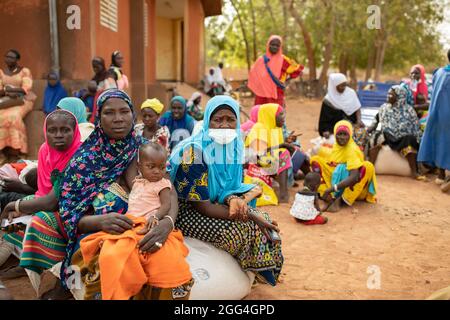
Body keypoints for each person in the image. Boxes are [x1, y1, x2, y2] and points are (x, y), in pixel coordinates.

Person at [1, 89, 190, 300]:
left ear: (132, 115)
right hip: (95, 233)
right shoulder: (84, 160)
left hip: (144, 226)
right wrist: (100, 221)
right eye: (109, 112)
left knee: (164, 264)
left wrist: (167, 223)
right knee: (109, 265)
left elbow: (168, 191)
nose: (118, 118)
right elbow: (68, 214)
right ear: (98, 118)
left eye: (124, 111)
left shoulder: (144, 151)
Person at [169, 95, 283, 286]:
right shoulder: (194, 152)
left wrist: (235, 201)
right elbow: (203, 208)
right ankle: (252, 269)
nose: (224, 125)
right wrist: (250, 216)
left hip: (216, 203)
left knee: (267, 222)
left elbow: (230, 187)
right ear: (207, 122)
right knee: (239, 232)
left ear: (238, 122)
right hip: (188, 211)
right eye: (218, 119)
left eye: (230, 119)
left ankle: (261, 271)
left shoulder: (235, 146)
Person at [78, 142, 191, 300]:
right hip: (127, 224)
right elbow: (72, 214)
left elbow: (168, 202)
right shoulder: (138, 180)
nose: (157, 171)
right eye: (151, 167)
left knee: (167, 260)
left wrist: (164, 220)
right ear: (140, 166)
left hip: (149, 223)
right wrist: (100, 221)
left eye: (161, 167)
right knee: (114, 254)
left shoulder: (160, 181)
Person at [310, 120, 377, 212]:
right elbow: (333, 165)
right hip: (335, 182)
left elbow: (354, 177)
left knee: (367, 166)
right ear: (335, 134)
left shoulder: (352, 149)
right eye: (339, 134)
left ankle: (340, 200)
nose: (342, 137)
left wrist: (332, 188)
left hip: (353, 189)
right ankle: (327, 195)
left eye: (345, 134)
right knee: (315, 160)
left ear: (350, 135)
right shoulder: (336, 147)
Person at [245, 104, 302, 204]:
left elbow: (273, 148)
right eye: (280, 114)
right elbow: (259, 153)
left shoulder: (275, 128)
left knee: (286, 153)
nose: (283, 117)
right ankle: (283, 194)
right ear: (270, 115)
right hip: (254, 161)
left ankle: (282, 188)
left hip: (266, 161)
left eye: (283, 114)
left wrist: (286, 142)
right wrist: (281, 145)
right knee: (283, 155)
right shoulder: (259, 127)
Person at [366, 85, 424, 180]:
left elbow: (416, 128)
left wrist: (420, 141)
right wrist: (368, 130)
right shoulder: (383, 108)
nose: (388, 96)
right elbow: (375, 121)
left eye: (391, 94)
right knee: (376, 136)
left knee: (411, 139)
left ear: (399, 96)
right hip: (387, 136)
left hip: (403, 138)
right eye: (388, 94)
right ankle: (370, 169)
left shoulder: (409, 110)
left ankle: (414, 172)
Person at [418, 49, 450, 190]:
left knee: (439, 141)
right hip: (447, 115)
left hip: (435, 114)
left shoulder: (439, 72)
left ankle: (441, 175)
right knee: (447, 142)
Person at [0, 49, 36, 161]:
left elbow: (25, 89)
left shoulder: (24, 71)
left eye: (12, 57)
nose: (9, 59)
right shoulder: (1, 72)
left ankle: (17, 151)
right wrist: (8, 91)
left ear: (17, 60)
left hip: (22, 101)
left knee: (14, 116)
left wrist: (11, 90)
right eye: (7, 57)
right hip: (6, 101)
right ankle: (3, 151)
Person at [248, 35, 303, 106]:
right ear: (268, 45)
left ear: (280, 47)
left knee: (276, 115)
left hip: (276, 95)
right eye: (273, 44)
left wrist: (286, 82)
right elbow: (253, 75)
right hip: (261, 96)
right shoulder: (260, 60)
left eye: (277, 45)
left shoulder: (284, 60)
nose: (275, 47)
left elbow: (297, 70)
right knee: (261, 115)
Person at [318, 73, 363, 139]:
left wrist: (359, 121)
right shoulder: (328, 100)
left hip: (352, 127)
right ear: (334, 86)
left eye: (345, 85)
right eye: (341, 86)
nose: (343, 88)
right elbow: (324, 120)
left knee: (362, 139)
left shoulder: (351, 93)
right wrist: (326, 131)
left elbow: (357, 108)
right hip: (334, 130)